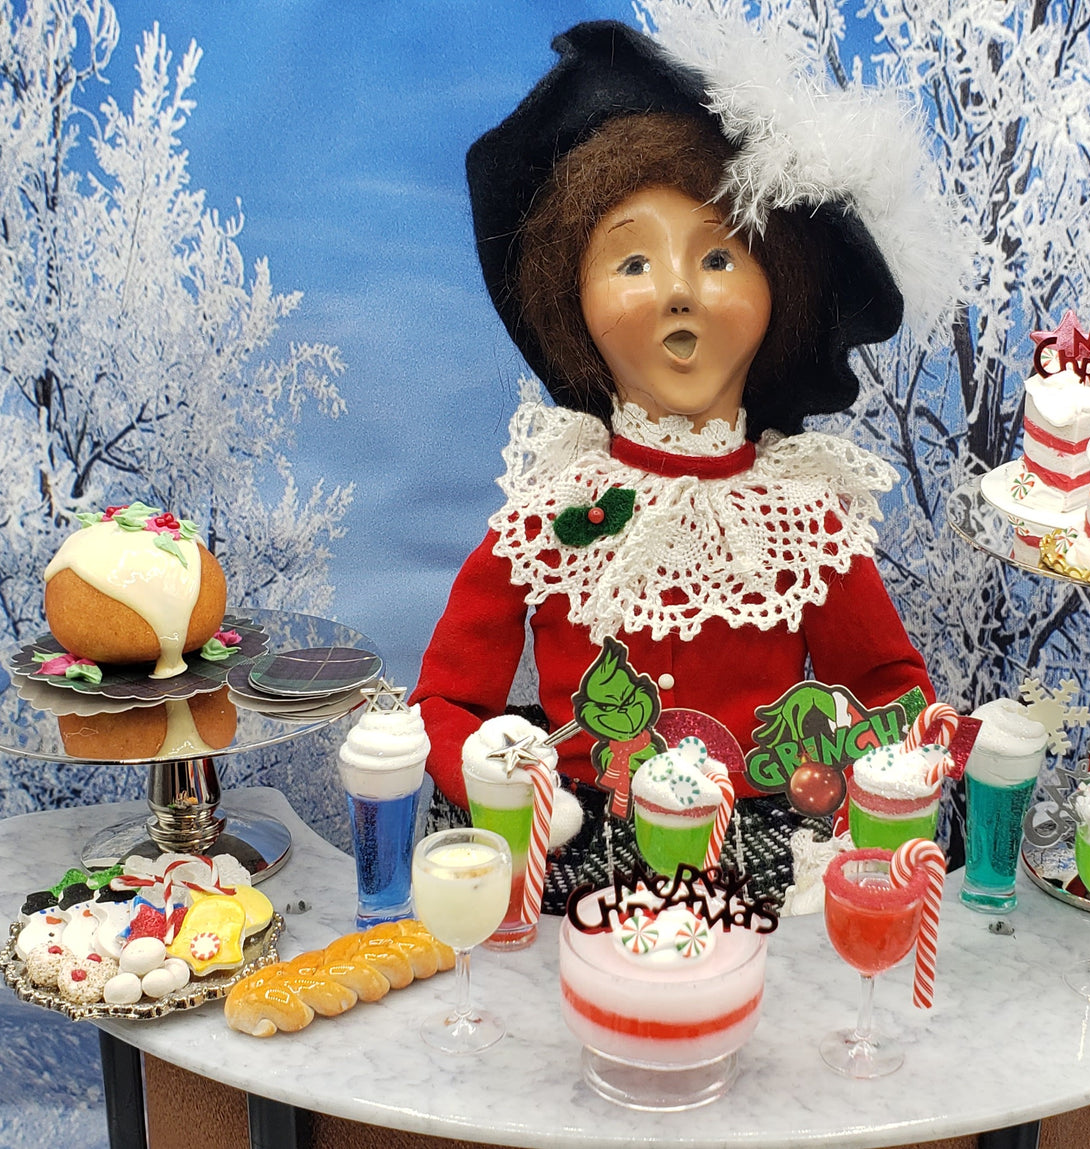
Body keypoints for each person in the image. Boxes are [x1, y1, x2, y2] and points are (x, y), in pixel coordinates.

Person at [412, 20, 964, 908]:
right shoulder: (552, 508)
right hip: (576, 861)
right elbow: (447, 700)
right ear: (574, 302)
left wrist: (882, 781)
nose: (677, 288)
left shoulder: (800, 515)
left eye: (716, 255)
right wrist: (491, 774)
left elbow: (890, 687)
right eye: (632, 259)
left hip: (763, 868)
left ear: (774, 290)